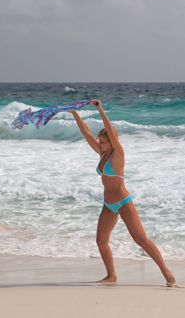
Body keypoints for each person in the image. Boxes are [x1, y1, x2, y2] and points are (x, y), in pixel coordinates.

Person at [69, 99, 176, 287]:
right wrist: (74, 113)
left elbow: (110, 131)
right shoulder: (102, 154)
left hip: (123, 201)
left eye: (104, 142)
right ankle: (111, 275)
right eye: (100, 142)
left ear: (112, 142)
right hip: (108, 204)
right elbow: (86, 133)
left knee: (140, 239)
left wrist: (100, 110)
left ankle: (167, 272)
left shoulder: (118, 154)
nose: (100, 145)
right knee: (101, 241)